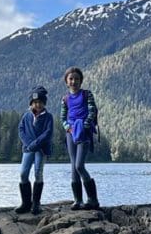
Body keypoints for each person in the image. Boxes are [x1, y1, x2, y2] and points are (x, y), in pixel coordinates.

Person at [60, 66, 100, 210]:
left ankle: (93, 199)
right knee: (73, 166)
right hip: (70, 133)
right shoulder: (65, 99)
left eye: (77, 79)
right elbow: (62, 117)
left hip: (84, 132)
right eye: (71, 79)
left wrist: (84, 125)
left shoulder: (87, 94)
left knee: (79, 165)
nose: (74, 81)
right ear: (66, 81)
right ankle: (78, 200)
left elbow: (92, 111)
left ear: (81, 81)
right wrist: (67, 127)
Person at [16, 86, 53, 215]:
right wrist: (29, 144)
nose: (37, 105)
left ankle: (36, 204)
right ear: (31, 103)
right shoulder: (26, 116)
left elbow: (47, 133)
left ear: (44, 103)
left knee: (38, 172)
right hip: (28, 149)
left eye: (40, 102)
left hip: (41, 150)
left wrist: (35, 144)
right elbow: (21, 130)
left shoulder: (48, 117)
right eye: (35, 102)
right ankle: (26, 203)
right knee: (23, 174)